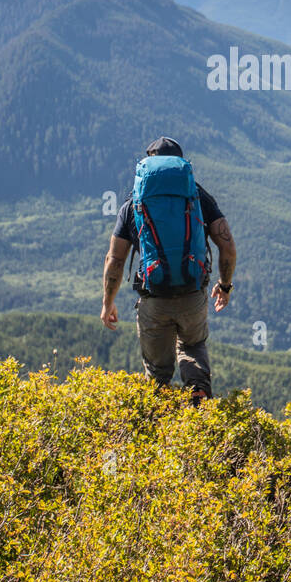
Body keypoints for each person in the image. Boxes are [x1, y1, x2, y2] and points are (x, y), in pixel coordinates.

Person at [100, 136, 237, 404]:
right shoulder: (197, 197)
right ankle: (198, 396)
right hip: (192, 293)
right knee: (192, 346)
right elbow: (227, 247)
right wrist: (225, 285)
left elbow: (114, 260)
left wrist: (108, 302)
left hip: (154, 298)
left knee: (157, 373)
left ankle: (161, 427)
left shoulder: (133, 203)